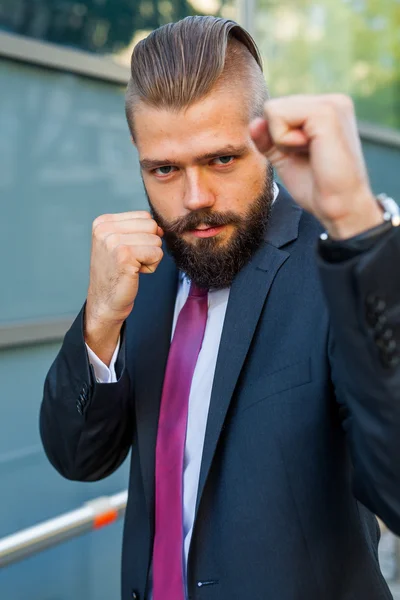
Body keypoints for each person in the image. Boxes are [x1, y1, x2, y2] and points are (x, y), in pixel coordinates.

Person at [40, 16, 400, 600]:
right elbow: (78, 457)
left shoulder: (335, 262)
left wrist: (361, 233)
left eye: (221, 160)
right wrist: (101, 321)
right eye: (164, 169)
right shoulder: (143, 271)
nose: (194, 198)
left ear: (266, 142)